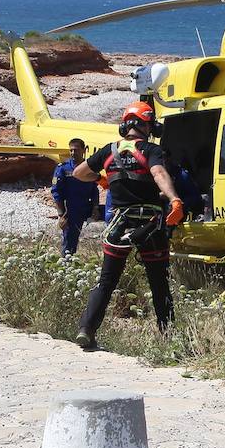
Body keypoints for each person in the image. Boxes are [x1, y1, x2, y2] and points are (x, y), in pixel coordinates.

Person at [71, 100, 184, 350]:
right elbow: (159, 174)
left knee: (107, 281)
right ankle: (168, 337)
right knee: (159, 282)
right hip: (149, 226)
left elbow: (79, 173)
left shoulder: (109, 151)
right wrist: (175, 199)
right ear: (147, 125)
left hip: (119, 225)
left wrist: (102, 178)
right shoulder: (151, 150)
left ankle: (86, 330)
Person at [50, 138, 99, 255]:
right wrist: (61, 215)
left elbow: (94, 189)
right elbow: (56, 192)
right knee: (69, 240)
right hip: (70, 209)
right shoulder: (63, 168)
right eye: (71, 150)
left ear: (84, 150)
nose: (73, 153)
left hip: (86, 206)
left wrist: (95, 208)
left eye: (76, 150)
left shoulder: (89, 167)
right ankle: (66, 263)